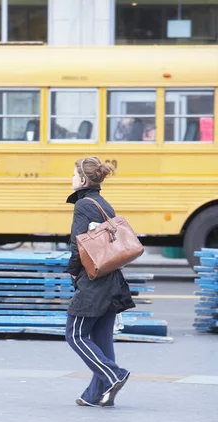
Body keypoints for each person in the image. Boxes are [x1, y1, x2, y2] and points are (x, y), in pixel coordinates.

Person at [65, 156, 135, 408]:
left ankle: (113, 375)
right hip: (111, 278)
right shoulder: (105, 204)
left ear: (83, 179)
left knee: (75, 334)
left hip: (93, 280)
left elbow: (78, 243)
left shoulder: (83, 205)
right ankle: (96, 396)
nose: (71, 178)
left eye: (74, 174)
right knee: (102, 338)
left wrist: (73, 272)